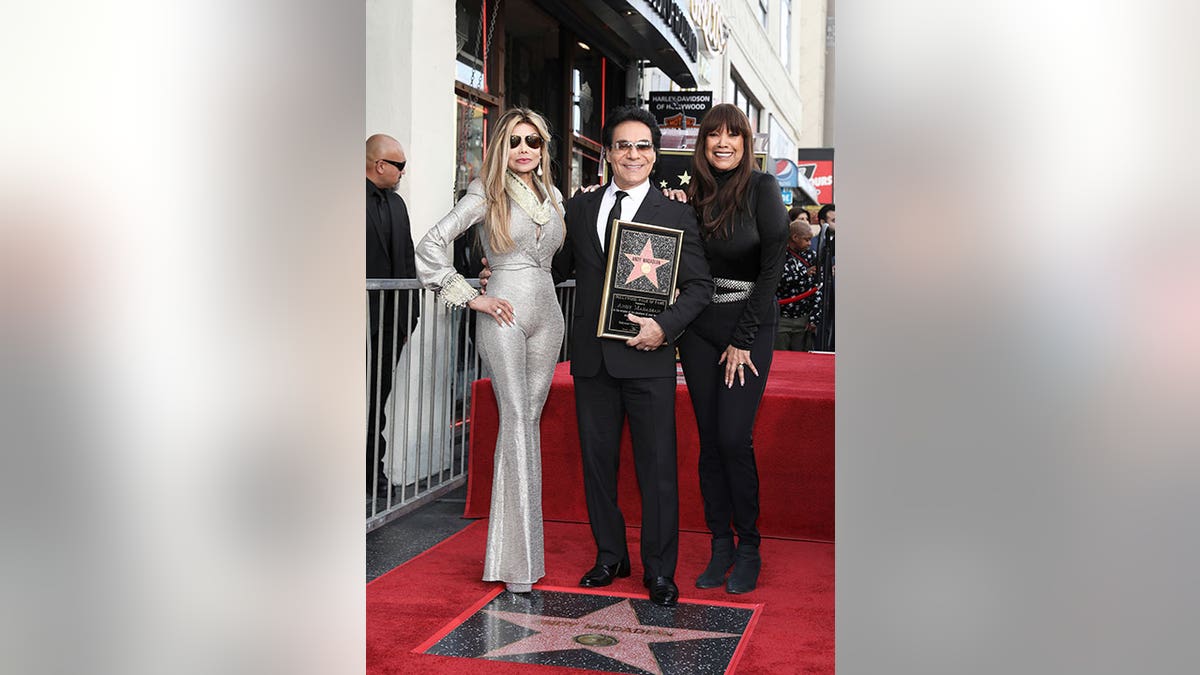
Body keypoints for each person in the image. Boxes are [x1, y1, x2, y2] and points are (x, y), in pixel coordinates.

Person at [551, 105, 713, 607]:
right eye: (624, 145)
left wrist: (664, 327)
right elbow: (555, 266)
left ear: (655, 154)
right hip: (593, 361)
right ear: (608, 153)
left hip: (648, 361)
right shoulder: (580, 208)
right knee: (598, 465)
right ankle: (610, 555)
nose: (634, 154)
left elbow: (699, 285)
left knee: (657, 468)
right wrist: (502, 273)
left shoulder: (676, 213)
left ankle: (660, 570)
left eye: (643, 146)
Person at [414, 108, 565, 595]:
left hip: (550, 318)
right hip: (503, 315)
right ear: (502, 145)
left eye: (534, 141)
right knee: (517, 419)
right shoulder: (486, 192)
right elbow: (431, 244)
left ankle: (516, 555)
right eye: (516, 140)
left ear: (544, 148)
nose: (525, 149)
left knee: (528, 425)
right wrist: (470, 295)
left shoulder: (554, 197)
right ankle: (518, 566)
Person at [678, 103, 789, 594]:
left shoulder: (763, 189)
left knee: (732, 438)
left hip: (748, 326)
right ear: (703, 144)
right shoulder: (693, 195)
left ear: (746, 143)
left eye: (733, 136)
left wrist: (743, 339)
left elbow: (771, 268)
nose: (723, 143)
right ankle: (719, 543)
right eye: (713, 136)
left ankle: (749, 546)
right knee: (708, 442)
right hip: (700, 329)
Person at [366, 133, 418, 494]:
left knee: (377, 398)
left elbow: (407, 261)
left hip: (388, 323)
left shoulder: (397, 205)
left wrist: (408, 317)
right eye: (400, 166)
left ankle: (373, 473)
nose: (403, 172)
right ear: (380, 165)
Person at [774, 219, 822, 351]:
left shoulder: (812, 256)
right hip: (781, 319)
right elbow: (777, 280)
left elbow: (818, 287)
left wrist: (814, 317)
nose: (809, 243)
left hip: (803, 318)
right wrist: (804, 274)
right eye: (806, 240)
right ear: (794, 237)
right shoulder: (778, 255)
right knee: (780, 357)